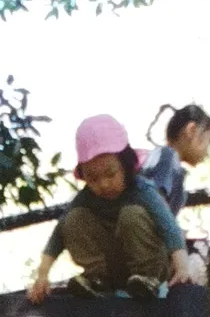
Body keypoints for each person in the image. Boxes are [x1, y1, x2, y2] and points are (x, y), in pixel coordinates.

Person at [25, 114, 187, 303]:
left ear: (125, 166)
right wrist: (42, 276)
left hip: (151, 264)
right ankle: (98, 279)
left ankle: (147, 279)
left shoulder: (142, 190)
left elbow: (169, 227)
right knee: (73, 219)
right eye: (93, 178)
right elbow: (58, 237)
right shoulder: (86, 198)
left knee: (131, 214)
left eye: (110, 173)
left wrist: (182, 267)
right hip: (115, 269)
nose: (103, 184)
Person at [141, 104, 210, 286]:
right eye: (208, 142)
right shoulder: (167, 158)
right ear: (191, 131)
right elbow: (156, 203)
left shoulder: (170, 164)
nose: (207, 153)